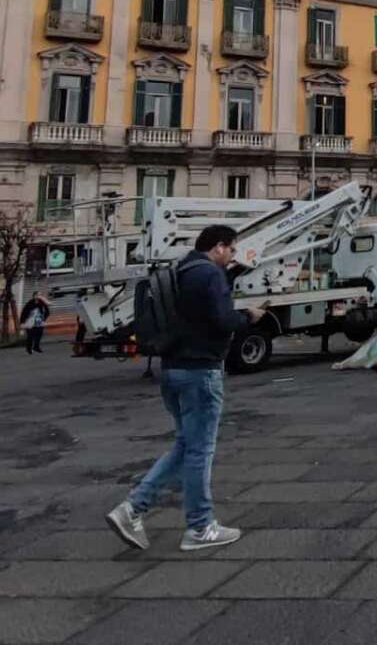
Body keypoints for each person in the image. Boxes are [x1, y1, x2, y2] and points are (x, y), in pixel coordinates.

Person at [107, 225, 264, 552]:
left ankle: (133, 508)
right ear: (219, 247)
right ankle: (200, 527)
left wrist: (230, 278)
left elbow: (194, 314)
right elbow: (222, 320)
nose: (232, 255)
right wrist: (249, 316)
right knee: (199, 451)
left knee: (185, 445)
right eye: (232, 250)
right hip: (200, 371)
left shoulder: (183, 270)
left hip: (173, 369)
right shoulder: (210, 275)